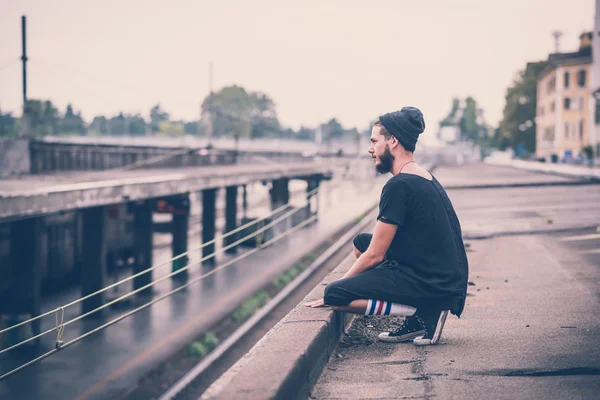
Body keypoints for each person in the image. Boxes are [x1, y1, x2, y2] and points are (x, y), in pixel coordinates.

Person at [305, 106, 469, 346]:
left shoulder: (398, 186)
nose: (370, 149)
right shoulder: (422, 176)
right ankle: (415, 318)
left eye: (374, 141)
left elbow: (375, 255)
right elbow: (372, 247)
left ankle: (422, 312)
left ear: (393, 141)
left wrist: (340, 285)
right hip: (443, 275)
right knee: (361, 240)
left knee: (335, 295)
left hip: (434, 285)